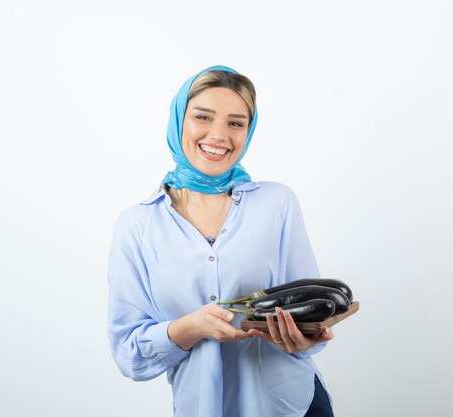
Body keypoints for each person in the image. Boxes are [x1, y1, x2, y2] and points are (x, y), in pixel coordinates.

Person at [107, 65, 335, 417]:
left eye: (235, 123)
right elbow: (129, 354)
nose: (218, 135)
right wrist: (189, 328)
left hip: (293, 406)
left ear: (249, 130)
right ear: (179, 120)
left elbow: (310, 307)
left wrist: (305, 340)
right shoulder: (137, 226)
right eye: (203, 117)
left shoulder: (278, 204)